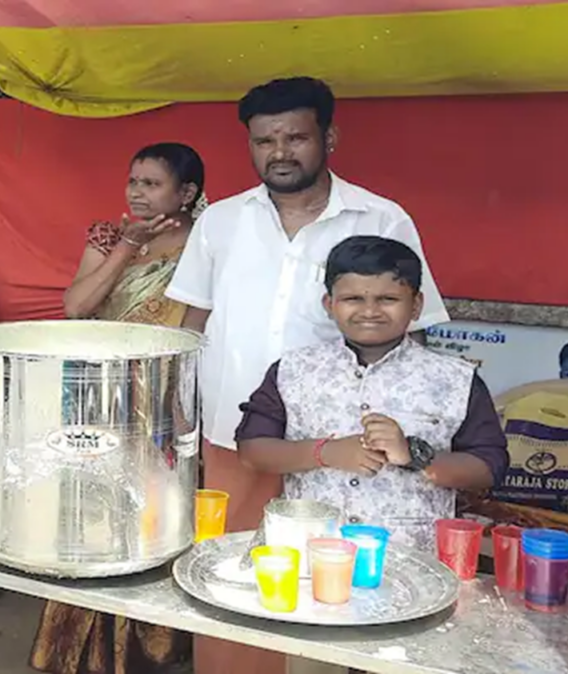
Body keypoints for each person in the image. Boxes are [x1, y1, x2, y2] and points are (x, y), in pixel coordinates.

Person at [164, 76, 450, 673]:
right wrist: (175, 407)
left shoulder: (381, 217)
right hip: (232, 436)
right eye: (264, 140)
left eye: (296, 136)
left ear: (329, 138)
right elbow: (192, 319)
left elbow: (412, 331)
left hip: (341, 454)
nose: (280, 152)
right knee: (232, 572)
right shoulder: (220, 221)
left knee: (324, 583)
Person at [30, 142, 206, 674]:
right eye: (133, 181)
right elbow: (76, 307)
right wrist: (126, 248)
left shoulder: (206, 246)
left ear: (188, 193)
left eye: (151, 183)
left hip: (165, 401)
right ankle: (77, 649)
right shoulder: (108, 236)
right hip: (96, 396)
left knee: (156, 516)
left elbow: (194, 332)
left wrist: (177, 403)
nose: (137, 192)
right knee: (90, 515)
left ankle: (150, 651)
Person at [236, 235, 508, 550]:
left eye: (388, 299)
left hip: (409, 558)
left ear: (416, 305)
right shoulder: (293, 369)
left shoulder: (455, 380)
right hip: (309, 551)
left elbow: (489, 467)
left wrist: (415, 455)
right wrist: (325, 453)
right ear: (330, 305)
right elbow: (252, 450)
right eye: (353, 299)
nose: (370, 311)